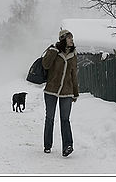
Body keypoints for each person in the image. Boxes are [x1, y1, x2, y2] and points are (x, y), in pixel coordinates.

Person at [42, 29, 79, 157]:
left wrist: (75, 92)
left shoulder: (73, 55)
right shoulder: (54, 52)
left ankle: (67, 146)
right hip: (51, 90)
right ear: (63, 39)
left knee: (65, 119)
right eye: (69, 38)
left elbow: (74, 75)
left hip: (67, 91)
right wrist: (53, 51)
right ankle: (47, 145)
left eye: (72, 38)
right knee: (50, 118)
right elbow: (45, 65)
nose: (72, 40)